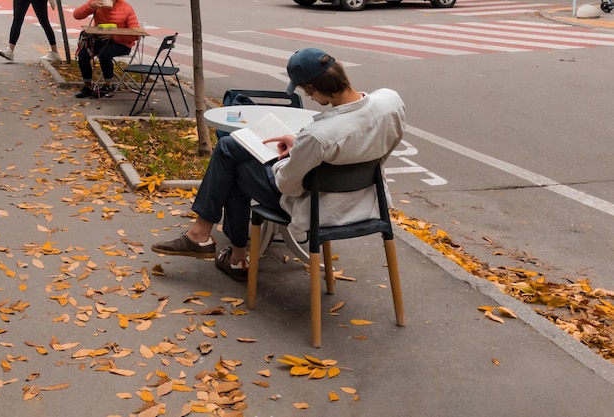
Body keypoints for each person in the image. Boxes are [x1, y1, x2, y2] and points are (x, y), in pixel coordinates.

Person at [151, 47, 407, 281]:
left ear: (313, 88)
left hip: (320, 206)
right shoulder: (390, 102)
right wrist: (300, 147)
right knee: (232, 152)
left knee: (231, 159)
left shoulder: (319, 135)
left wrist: (288, 157)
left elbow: (287, 184)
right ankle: (219, 247)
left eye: (307, 92)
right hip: (367, 199)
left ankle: (223, 249)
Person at [73, 0, 139, 98]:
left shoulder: (126, 8)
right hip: (99, 40)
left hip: (121, 43)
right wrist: (90, 6)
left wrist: (113, 36)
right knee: (83, 54)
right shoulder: (97, 3)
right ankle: (87, 86)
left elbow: (136, 34)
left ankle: (108, 85)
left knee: (104, 53)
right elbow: (77, 15)